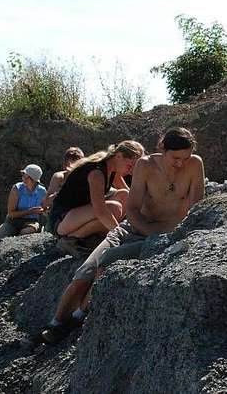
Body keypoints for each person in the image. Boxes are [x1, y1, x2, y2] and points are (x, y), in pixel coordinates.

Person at [40, 128, 205, 344]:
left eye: (186, 157)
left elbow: (197, 208)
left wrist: (172, 235)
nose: (181, 163)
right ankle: (56, 324)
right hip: (133, 228)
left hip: (166, 233)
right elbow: (133, 208)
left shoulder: (195, 164)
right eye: (176, 158)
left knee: (106, 264)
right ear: (163, 149)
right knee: (85, 271)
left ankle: (78, 318)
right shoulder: (145, 165)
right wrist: (148, 232)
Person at [49, 140, 145, 255]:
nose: (130, 172)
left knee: (124, 195)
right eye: (129, 166)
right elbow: (101, 211)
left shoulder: (112, 169)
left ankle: (91, 237)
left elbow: (130, 196)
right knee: (113, 208)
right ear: (119, 156)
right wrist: (123, 235)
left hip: (78, 215)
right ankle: (70, 240)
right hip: (61, 220)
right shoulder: (96, 172)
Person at [0, 164, 47, 241]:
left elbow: (45, 208)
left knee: (27, 232)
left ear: (32, 178)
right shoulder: (17, 189)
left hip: (31, 222)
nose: (22, 176)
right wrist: (29, 212)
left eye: (24, 175)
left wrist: (44, 210)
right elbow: (11, 213)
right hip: (13, 221)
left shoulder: (42, 191)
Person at [42, 146, 85, 211]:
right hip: (61, 213)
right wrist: (62, 191)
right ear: (66, 164)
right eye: (71, 164)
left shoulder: (85, 177)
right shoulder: (59, 177)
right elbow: (46, 202)